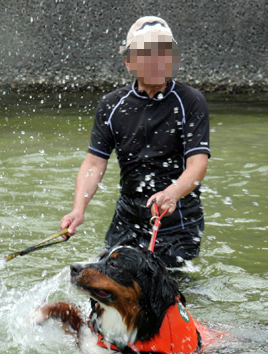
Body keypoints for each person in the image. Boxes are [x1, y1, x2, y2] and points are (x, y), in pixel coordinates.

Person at [60, 16, 210, 268]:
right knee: (105, 286)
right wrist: (78, 209)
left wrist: (172, 193)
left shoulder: (190, 101)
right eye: (147, 54)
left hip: (178, 222)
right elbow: (94, 163)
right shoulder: (112, 105)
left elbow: (198, 164)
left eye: (164, 53)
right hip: (127, 220)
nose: (156, 61)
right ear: (129, 61)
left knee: (165, 293)